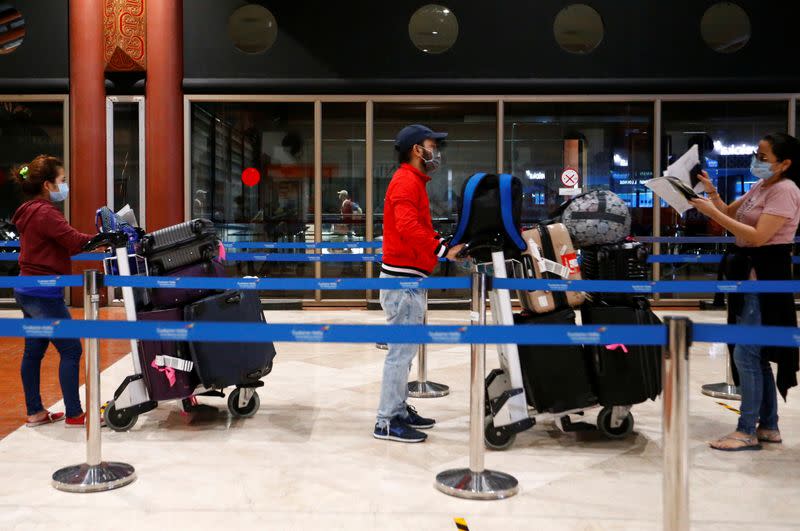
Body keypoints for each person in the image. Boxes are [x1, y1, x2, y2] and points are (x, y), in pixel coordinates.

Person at [690, 133, 800, 451]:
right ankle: (768, 425)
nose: (757, 160)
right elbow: (731, 214)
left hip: (763, 278)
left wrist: (713, 213)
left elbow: (758, 236)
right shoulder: (761, 186)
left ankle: (746, 430)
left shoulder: (785, 191)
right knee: (755, 355)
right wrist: (711, 194)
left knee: (747, 355)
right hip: (747, 277)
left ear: (786, 163)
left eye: (764, 157)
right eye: (757, 153)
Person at [373, 124, 464, 443]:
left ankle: (397, 408)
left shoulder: (411, 181)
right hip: (403, 283)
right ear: (416, 150)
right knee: (400, 353)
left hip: (409, 280)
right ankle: (386, 420)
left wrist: (440, 241)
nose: (435, 151)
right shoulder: (405, 181)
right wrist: (441, 250)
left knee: (405, 351)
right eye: (431, 145)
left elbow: (417, 224)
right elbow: (408, 226)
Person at [11, 155, 99, 428]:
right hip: (43, 294)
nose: (65, 185)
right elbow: (72, 240)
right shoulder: (46, 213)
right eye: (62, 181)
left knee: (33, 352)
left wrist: (94, 244)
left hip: (26, 288)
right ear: (48, 184)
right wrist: (102, 240)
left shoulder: (28, 211)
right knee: (71, 349)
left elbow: (60, 244)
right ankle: (74, 413)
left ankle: (35, 412)